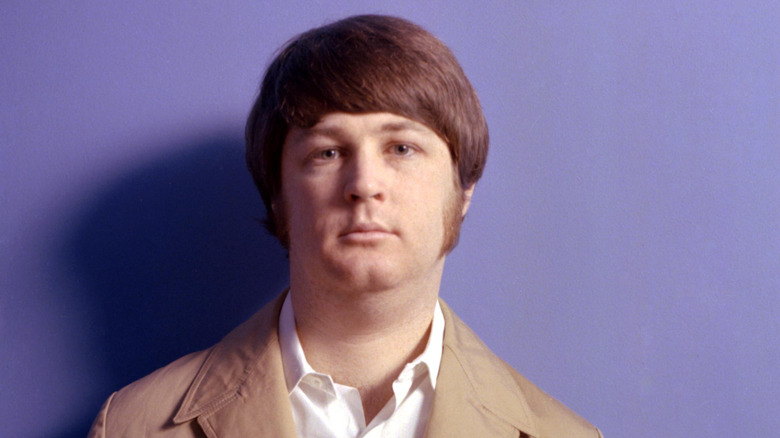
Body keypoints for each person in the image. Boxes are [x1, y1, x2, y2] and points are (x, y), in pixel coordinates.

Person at [89, 14, 602, 437]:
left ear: (463, 190)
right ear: (277, 195)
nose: (364, 184)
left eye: (401, 148)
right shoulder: (131, 427)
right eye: (328, 151)